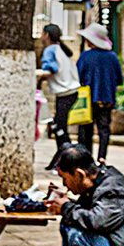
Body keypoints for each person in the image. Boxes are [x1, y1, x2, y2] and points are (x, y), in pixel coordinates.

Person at [75, 23, 123, 163]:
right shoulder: (112, 57)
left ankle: (86, 157)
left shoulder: (85, 56)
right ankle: (102, 156)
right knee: (104, 129)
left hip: (88, 100)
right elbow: (119, 79)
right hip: (106, 100)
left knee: (85, 130)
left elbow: (78, 76)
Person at [37, 24, 80, 169]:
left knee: (59, 129)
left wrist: (36, 75)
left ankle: (69, 159)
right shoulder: (63, 49)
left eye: (42, 33)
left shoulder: (50, 50)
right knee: (59, 127)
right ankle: (61, 159)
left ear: (47, 35)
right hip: (71, 92)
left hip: (64, 93)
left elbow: (50, 69)